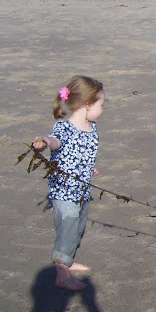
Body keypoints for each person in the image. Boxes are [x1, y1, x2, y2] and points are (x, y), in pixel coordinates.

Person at [32, 75, 106, 290]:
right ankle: (62, 276)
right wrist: (44, 142)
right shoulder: (64, 127)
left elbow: (81, 154)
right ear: (87, 104)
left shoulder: (91, 129)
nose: (102, 109)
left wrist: (89, 168)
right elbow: (55, 143)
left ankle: (69, 260)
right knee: (68, 229)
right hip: (64, 193)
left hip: (82, 191)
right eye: (101, 104)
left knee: (78, 228)